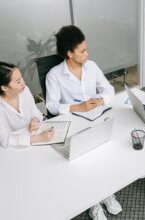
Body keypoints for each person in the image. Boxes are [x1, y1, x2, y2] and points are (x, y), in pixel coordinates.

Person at [45, 25, 121, 220]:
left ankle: (106, 192)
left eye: (86, 49)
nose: (87, 53)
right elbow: (52, 106)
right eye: (83, 50)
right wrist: (74, 107)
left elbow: (109, 89)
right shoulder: (54, 75)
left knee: (105, 154)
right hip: (74, 124)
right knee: (84, 161)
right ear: (70, 53)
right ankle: (93, 202)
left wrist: (101, 100)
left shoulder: (92, 67)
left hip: (97, 118)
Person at [0, 62, 54, 148]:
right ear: (4, 88)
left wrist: (35, 119)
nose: (24, 83)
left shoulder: (24, 90)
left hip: (28, 137)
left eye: (22, 78)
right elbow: (6, 140)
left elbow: (34, 110)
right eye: (18, 82)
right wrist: (37, 138)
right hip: (4, 149)